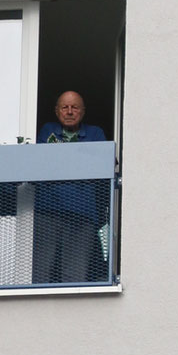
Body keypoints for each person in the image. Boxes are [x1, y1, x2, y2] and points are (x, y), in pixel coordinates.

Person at [33, 90, 111, 283]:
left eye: (74, 107)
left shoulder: (95, 133)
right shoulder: (47, 130)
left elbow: (104, 164)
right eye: (64, 107)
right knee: (42, 271)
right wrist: (80, 164)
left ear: (82, 112)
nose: (69, 112)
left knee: (74, 274)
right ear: (57, 111)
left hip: (82, 213)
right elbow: (41, 164)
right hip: (48, 211)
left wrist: (61, 165)